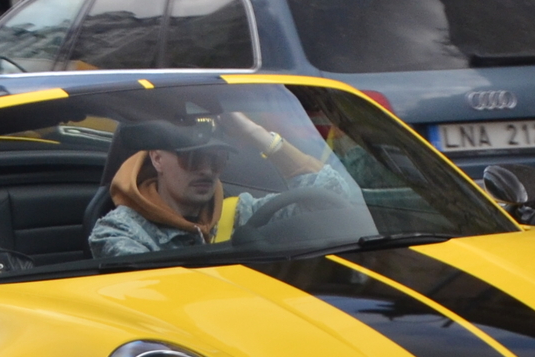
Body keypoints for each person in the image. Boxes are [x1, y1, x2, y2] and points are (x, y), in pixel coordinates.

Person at [89, 110, 361, 259]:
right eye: (193, 159)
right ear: (157, 159)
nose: (207, 170)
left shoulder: (240, 213)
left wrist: (257, 136)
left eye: (218, 160)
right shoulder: (118, 231)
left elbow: (334, 196)